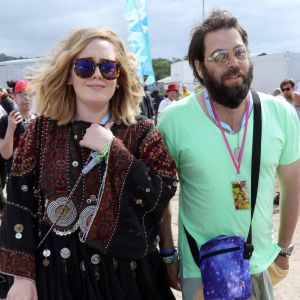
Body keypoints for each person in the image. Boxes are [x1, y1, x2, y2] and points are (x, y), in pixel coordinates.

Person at [0, 28, 178, 300]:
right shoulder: (39, 132)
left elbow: (158, 198)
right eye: (85, 66)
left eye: (108, 67)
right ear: (69, 76)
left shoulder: (143, 132)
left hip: (129, 280)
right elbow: (18, 204)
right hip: (57, 278)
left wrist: (112, 149)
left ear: (119, 78)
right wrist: (22, 278)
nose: (97, 74)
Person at [158, 9, 300, 300]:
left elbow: (293, 186)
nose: (234, 63)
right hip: (201, 269)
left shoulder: (280, 112)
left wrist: (284, 249)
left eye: (240, 52)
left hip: (259, 263)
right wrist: (169, 254)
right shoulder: (174, 120)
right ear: (199, 68)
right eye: (221, 56)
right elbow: (162, 198)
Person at [0, 80, 36, 215]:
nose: (26, 98)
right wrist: (11, 127)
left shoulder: (39, 121)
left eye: (30, 94)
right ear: (13, 97)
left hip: (37, 179)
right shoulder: (4, 122)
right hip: (15, 180)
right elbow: (5, 154)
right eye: (21, 94)